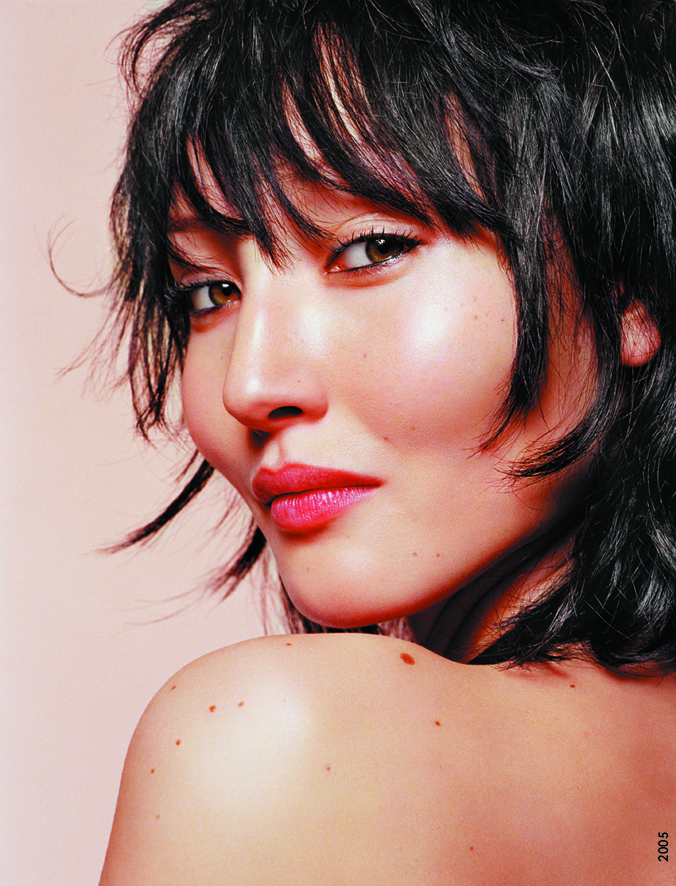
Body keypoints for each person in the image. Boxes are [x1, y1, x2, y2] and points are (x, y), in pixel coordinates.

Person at [98, 0, 676, 882]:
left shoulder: (282, 742)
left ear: (631, 286)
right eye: (208, 292)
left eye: (370, 249)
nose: (249, 384)